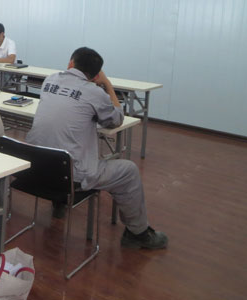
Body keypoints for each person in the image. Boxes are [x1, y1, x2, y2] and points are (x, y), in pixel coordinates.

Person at [25, 47, 168, 249]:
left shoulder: (50, 80)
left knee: (61, 143)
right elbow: (116, 119)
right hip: (70, 175)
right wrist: (107, 85)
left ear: (70, 63)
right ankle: (138, 233)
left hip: (37, 167)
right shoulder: (95, 92)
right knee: (129, 171)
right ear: (95, 76)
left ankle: (59, 204)